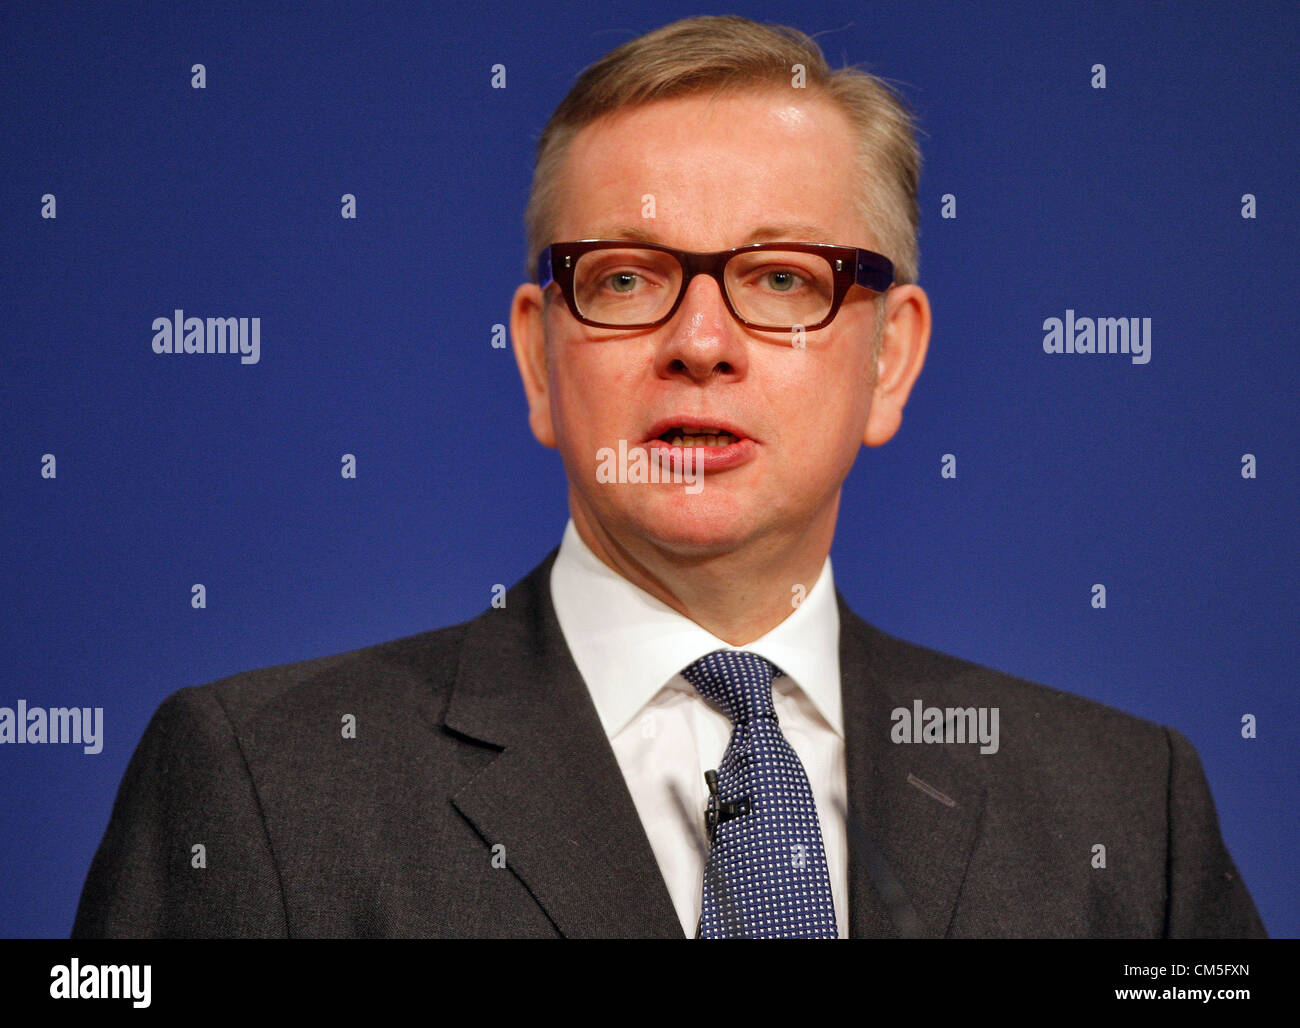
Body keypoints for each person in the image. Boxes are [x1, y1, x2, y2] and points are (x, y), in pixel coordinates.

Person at [73, 15, 1265, 939]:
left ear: (889, 356)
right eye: (632, 277)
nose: (701, 339)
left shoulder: (1126, 810)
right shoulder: (265, 786)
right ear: (541, 353)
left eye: (784, 277)